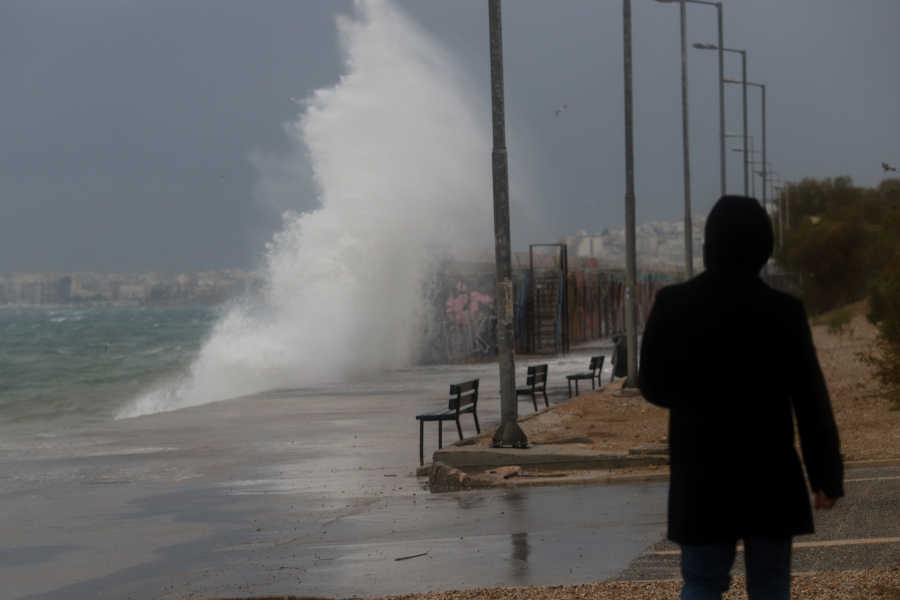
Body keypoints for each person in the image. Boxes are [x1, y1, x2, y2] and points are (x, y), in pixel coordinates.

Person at [637, 195, 844, 600]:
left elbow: (653, 385)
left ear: (709, 244)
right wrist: (826, 476)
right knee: (768, 584)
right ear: (763, 247)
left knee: (702, 583)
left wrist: (696, 401)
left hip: (701, 476)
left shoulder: (672, 304)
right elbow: (810, 399)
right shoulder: (784, 310)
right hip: (769, 474)